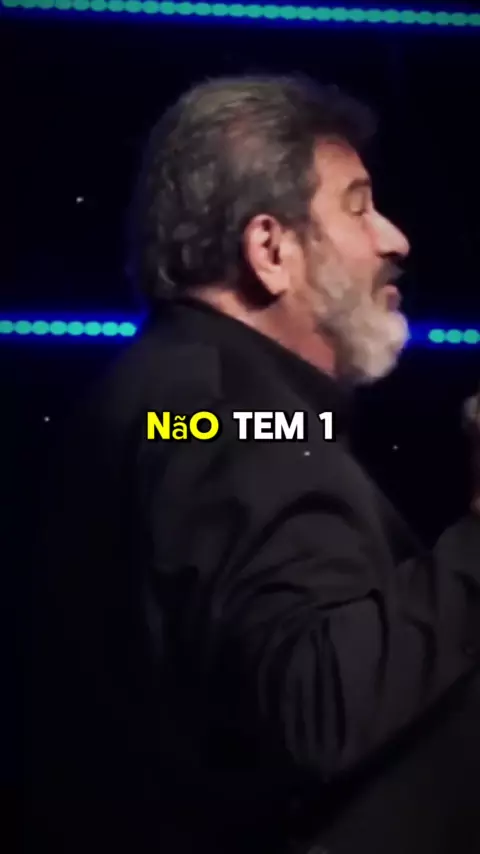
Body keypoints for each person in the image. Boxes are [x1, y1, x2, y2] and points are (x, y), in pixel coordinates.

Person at [30, 75, 480, 854]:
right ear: (271, 251)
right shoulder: (225, 409)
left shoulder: (189, 396)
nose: (394, 238)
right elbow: (316, 705)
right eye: (358, 207)